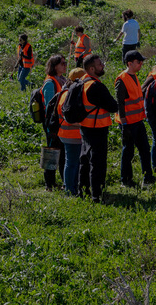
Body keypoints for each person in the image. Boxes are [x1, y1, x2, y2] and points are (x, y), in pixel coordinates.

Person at [77, 54, 118, 203]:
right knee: (97, 162)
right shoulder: (96, 86)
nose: (103, 66)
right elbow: (113, 106)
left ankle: (82, 190)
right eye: (100, 64)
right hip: (97, 128)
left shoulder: (82, 81)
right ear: (92, 68)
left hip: (85, 127)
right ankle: (96, 195)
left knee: (85, 160)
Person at [115, 50, 155, 188]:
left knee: (144, 149)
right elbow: (120, 103)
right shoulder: (122, 79)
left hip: (138, 120)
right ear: (130, 63)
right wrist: (124, 124)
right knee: (128, 152)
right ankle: (125, 180)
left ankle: (148, 178)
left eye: (141, 61)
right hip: (128, 124)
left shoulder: (134, 76)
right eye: (139, 62)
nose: (141, 64)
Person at [57, 68, 89, 196]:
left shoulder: (65, 92)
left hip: (66, 134)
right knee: (72, 162)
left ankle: (71, 186)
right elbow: (69, 118)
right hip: (71, 134)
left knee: (72, 162)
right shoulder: (70, 94)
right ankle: (70, 190)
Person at [41, 55, 68, 191]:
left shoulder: (63, 80)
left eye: (65, 63)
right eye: (62, 63)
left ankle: (65, 182)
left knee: (63, 152)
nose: (65, 65)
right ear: (54, 66)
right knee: (52, 152)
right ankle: (49, 184)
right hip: (52, 123)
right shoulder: (50, 83)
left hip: (62, 122)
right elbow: (49, 104)